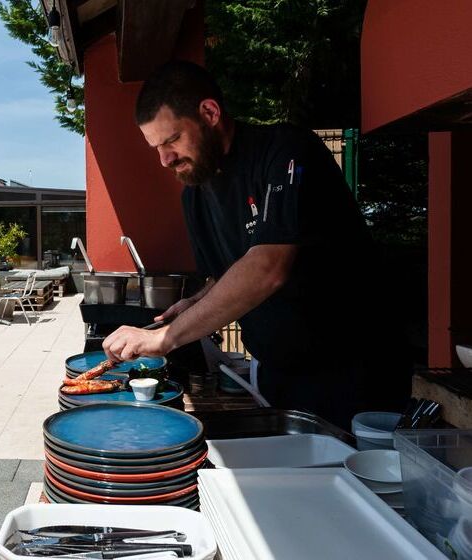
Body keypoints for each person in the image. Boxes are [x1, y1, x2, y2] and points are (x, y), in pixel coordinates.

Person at [102, 61, 410, 429]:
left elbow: (267, 266)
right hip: (278, 378)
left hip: (355, 372)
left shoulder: (285, 151)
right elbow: (228, 274)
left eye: (172, 140)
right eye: (156, 147)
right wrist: (192, 304)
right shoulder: (195, 199)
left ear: (210, 112)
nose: (165, 159)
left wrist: (165, 338)